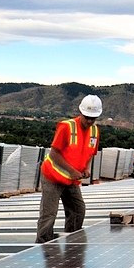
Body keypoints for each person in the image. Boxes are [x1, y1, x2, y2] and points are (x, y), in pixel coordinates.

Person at [36, 94, 102, 243]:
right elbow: (54, 154)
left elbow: (91, 152)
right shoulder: (67, 127)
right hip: (53, 176)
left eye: (93, 118)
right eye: (87, 117)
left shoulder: (95, 131)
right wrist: (72, 171)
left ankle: (71, 242)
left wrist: (86, 168)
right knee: (49, 215)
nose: (90, 121)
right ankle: (43, 247)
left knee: (78, 210)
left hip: (72, 180)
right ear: (81, 113)